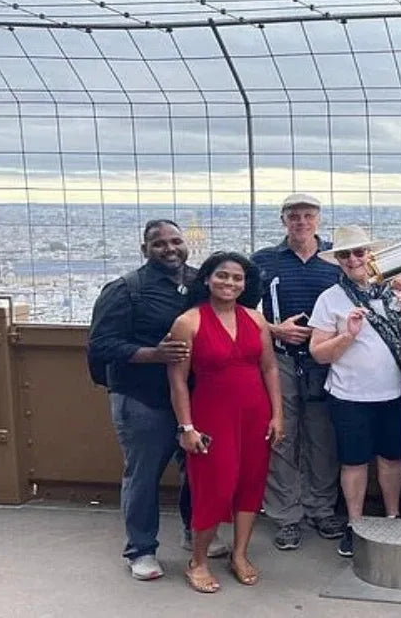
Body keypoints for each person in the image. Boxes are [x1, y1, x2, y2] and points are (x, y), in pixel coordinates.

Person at [88, 219, 225, 581]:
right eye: (159, 243)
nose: (169, 248)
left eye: (175, 241)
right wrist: (154, 354)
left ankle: (195, 534)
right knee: (143, 475)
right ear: (144, 249)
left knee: (197, 471)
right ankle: (141, 550)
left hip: (195, 399)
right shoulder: (125, 290)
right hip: (142, 398)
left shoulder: (202, 283)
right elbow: (101, 345)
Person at [167, 252, 283, 593]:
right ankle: (198, 561)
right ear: (206, 278)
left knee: (250, 483)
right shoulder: (188, 322)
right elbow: (177, 381)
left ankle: (240, 554)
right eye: (222, 276)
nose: (229, 283)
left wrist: (278, 414)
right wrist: (186, 427)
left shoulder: (256, 319)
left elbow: (270, 368)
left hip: (255, 412)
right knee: (214, 487)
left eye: (237, 278)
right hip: (211, 415)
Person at [251, 193, 347, 550]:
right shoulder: (264, 261)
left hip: (326, 361)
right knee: (282, 436)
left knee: (324, 439)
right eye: (294, 216)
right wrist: (275, 329)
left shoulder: (336, 259)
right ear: (283, 221)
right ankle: (285, 515)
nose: (301, 222)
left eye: (308, 216)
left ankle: (320, 508)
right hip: (281, 359)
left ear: (318, 220)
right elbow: (240, 309)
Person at [308, 226, 401, 559]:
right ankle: (355, 524)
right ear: (337, 261)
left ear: (370, 255)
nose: (353, 260)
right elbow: (319, 352)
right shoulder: (330, 299)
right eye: (345, 255)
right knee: (353, 461)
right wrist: (348, 335)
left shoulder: (393, 293)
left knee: (392, 457)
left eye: (359, 252)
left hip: (393, 391)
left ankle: (392, 517)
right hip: (350, 395)